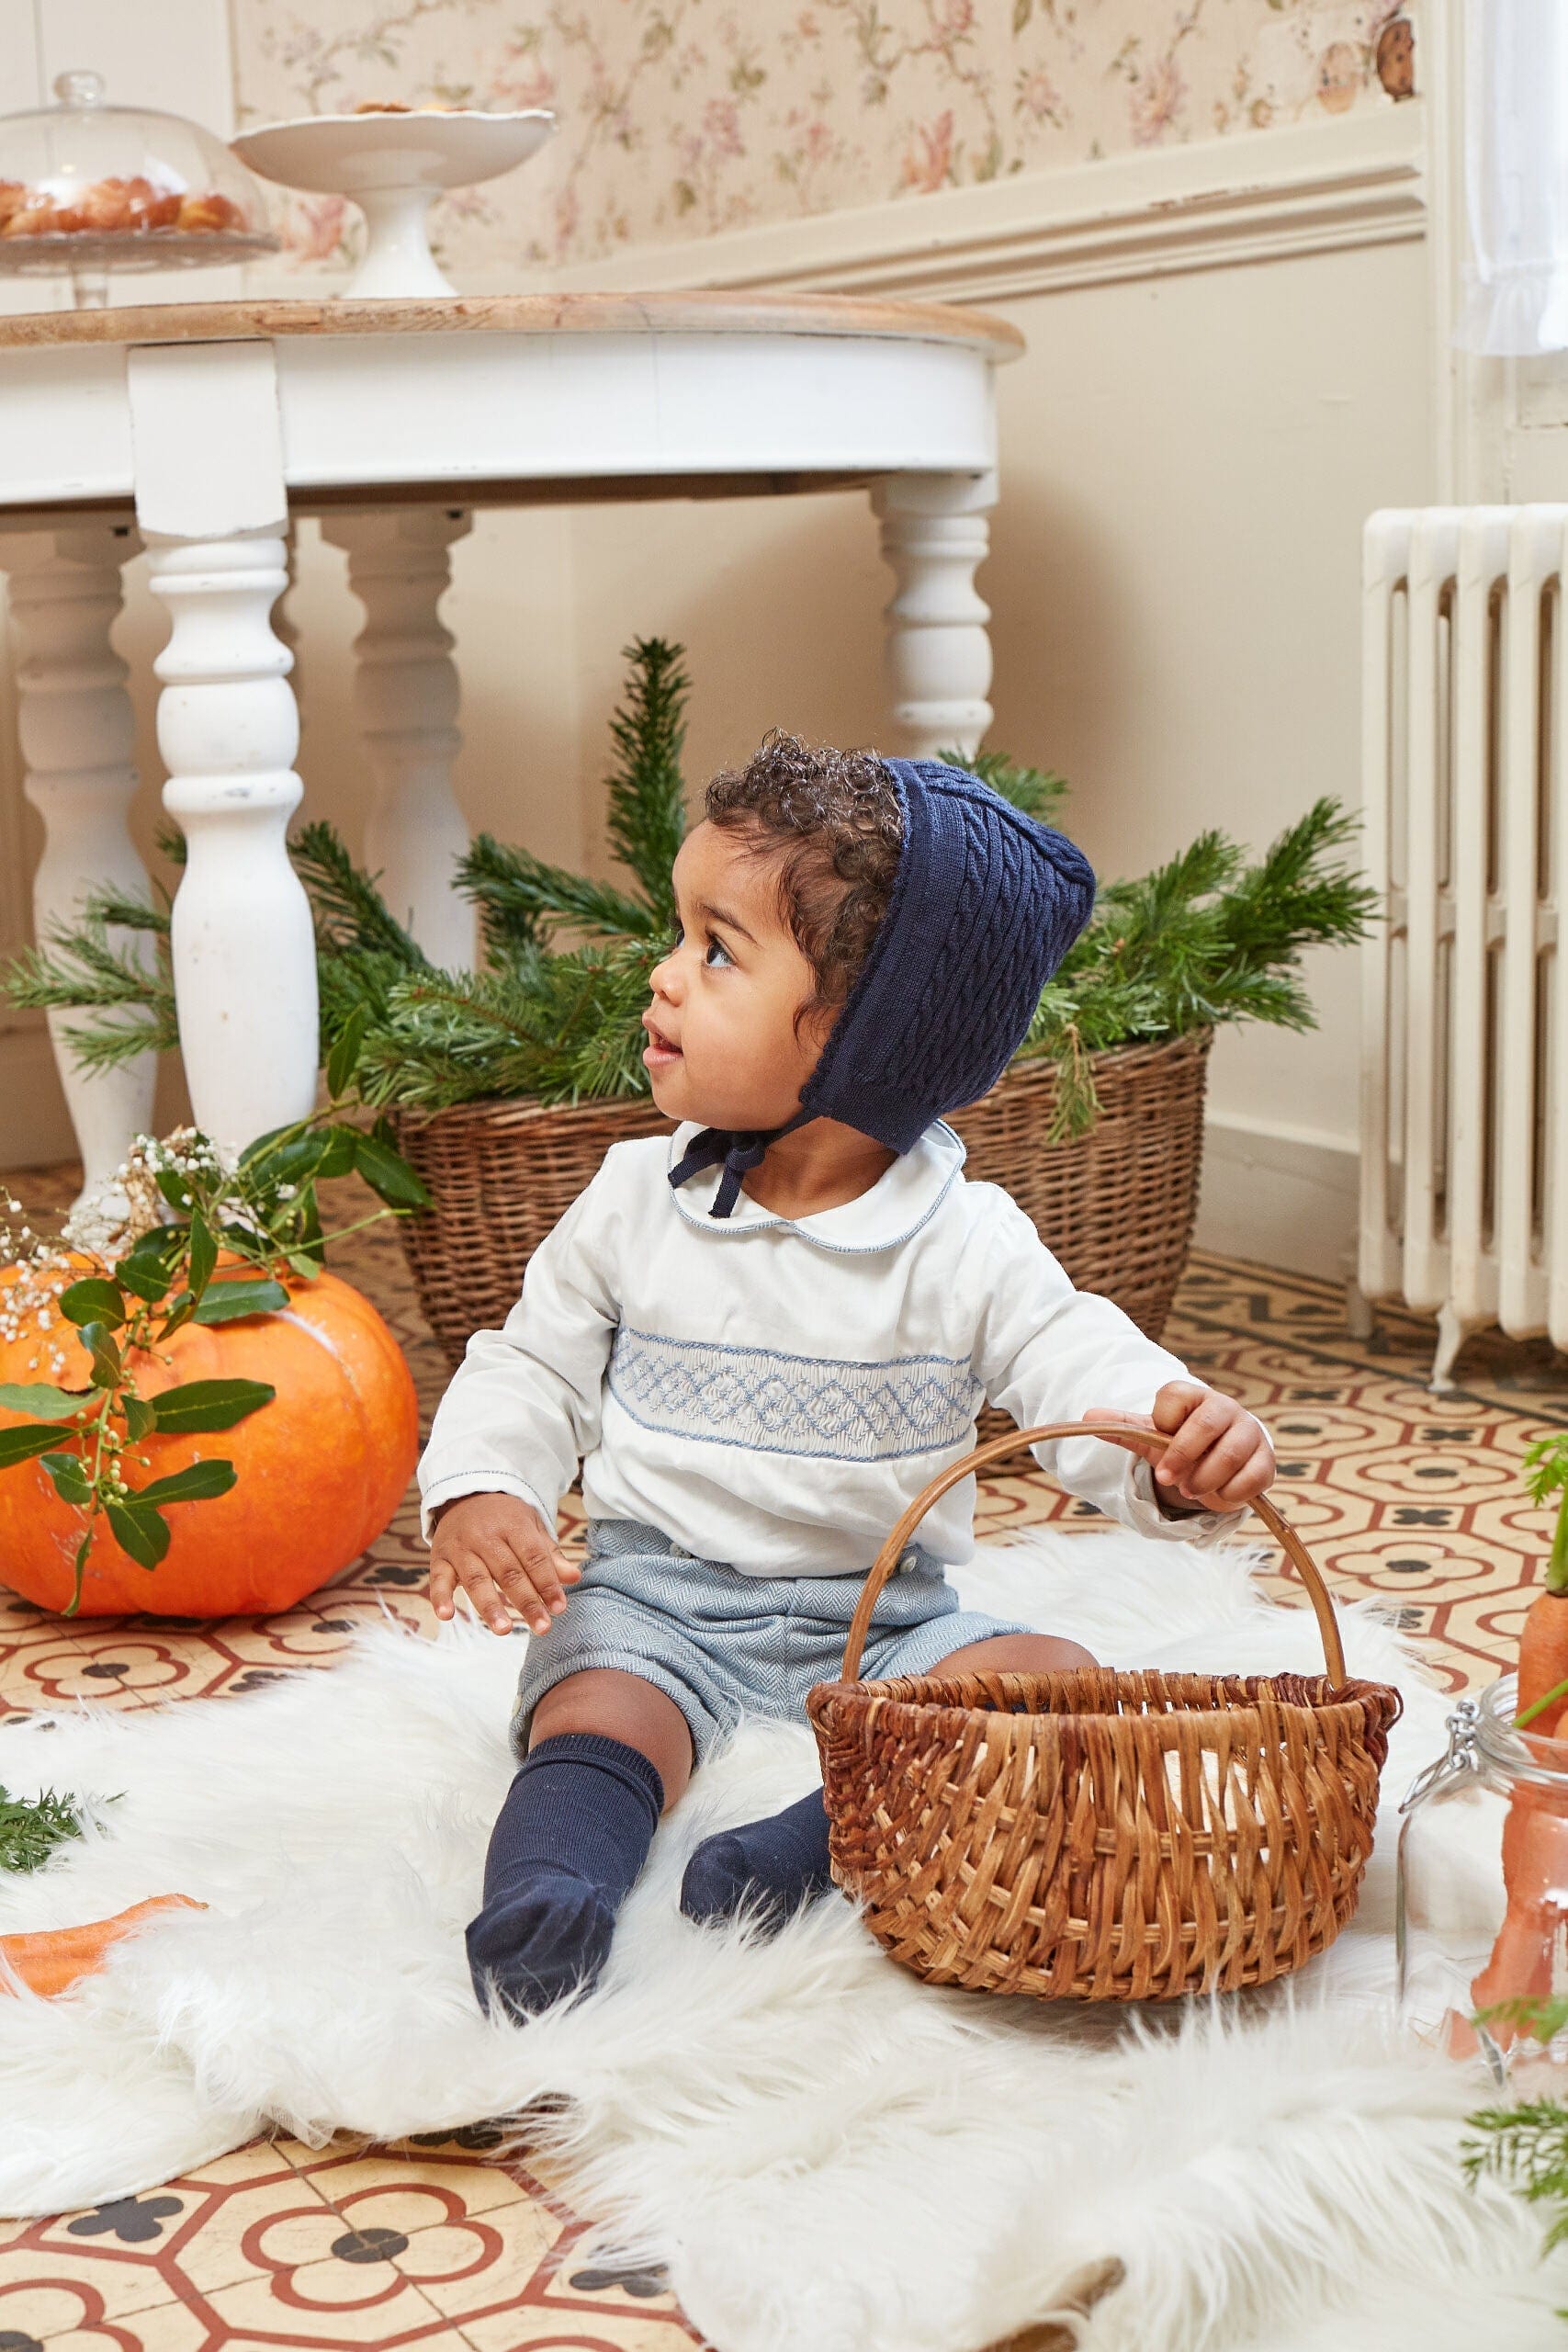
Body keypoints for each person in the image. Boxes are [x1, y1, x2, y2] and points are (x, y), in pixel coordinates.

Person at [420, 736, 1276, 2019]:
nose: (662, 976)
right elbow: (529, 1364)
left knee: (1046, 1675)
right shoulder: (632, 1202)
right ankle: (550, 1902)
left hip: (887, 1620)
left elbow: (1074, 1359)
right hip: (663, 1604)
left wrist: (1171, 1444)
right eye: (680, 932)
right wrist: (488, 1487)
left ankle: (809, 1849)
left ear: (863, 1037)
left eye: (716, 950)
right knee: (595, 1704)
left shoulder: (959, 1238)